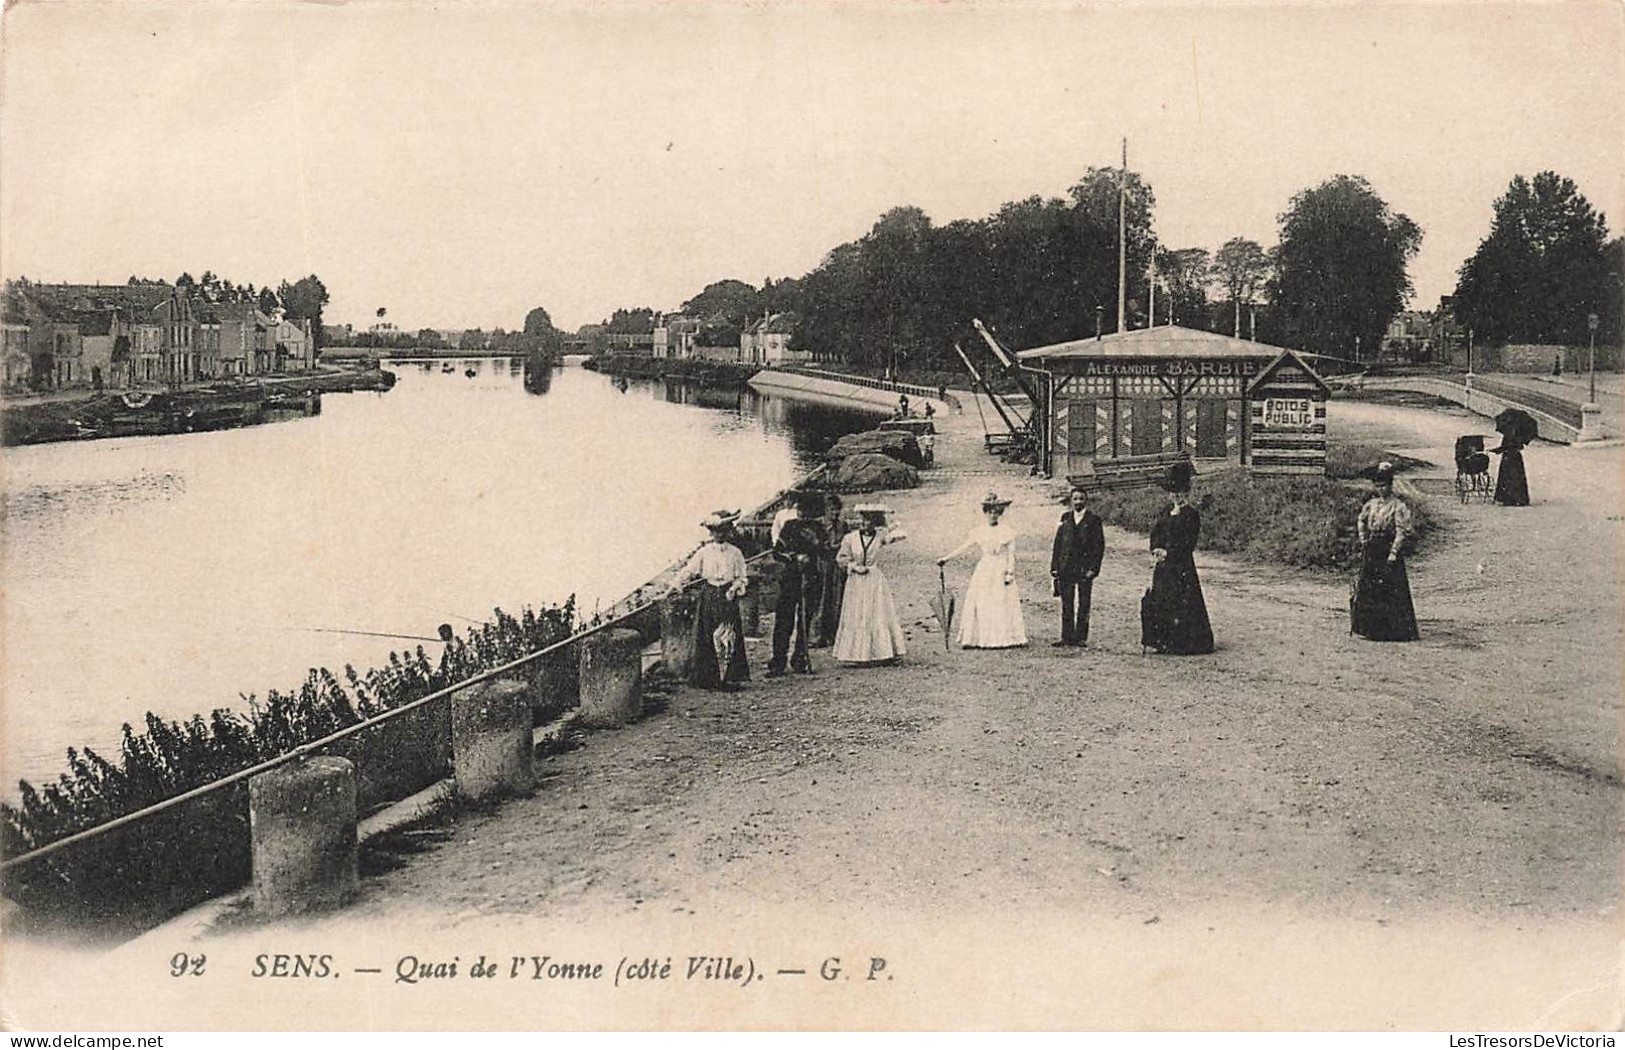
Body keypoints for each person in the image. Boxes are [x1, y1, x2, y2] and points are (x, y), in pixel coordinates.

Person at [670, 510, 751, 690]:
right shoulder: (704, 552)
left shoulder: (735, 553)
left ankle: (729, 677)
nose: (718, 535)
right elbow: (689, 570)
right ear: (710, 533)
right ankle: (708, 677)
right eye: (714, 531)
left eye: (722, 531)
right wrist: (673, 587)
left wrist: (733, 589)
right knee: (707, 634)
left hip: (727, 595)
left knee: (728, 634)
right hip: (709, 594)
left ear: (728, 531)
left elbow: (742, 577)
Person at [1140, 461, 1215, 655]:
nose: (1176, 496)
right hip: (1163, 567)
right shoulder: (1165, 512)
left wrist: (1170, 553)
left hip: (1181, 566)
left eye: (1180, 492)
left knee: (1182, 601)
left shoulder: (1191, 515)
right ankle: (1163, 641)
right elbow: (1155, 533)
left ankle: (1183, 642)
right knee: (1162, 599)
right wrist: (1155, 548)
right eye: (1173, 492)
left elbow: (1189, 542)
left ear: (1187, 493)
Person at [938, 491, 1028, 649]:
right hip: (985, 569)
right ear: (985, 513)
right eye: (989, 512)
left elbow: (1011, 555)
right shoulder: (979, 531)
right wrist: (946, 558)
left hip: (1000, 568)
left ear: (1000, 514)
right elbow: (964, 546)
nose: (993, 515)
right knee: (982, 600)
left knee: (1001, 600)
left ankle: (1005, 637)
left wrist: (1009, 573)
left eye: (996, 512)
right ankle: (978, 637)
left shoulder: (1007, 531)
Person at [1350, 462, 1419, 641]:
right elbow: (1361, 520)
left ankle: (1392, 630)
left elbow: (1401, 531)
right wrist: (1364, 539)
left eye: (1384, 486)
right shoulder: (1371, 504)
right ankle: (1369, 629)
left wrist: (1394, 552)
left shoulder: (1397, 506)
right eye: (1378, 486)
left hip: (1388, 549)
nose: (1381, 489)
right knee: (1371, 587)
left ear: (1390, 485)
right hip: (1373, 548)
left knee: (1390, 588)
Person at [833, 504, 908, 664]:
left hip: (874, 579)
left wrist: (889, 523)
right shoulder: (850, 538)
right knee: (858, 613)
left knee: (877, 613)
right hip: (856, 579)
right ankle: (857, 655)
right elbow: (841, 558)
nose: (863, 523)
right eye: (862, 519)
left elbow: (902, 534)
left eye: (868, 520)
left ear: (875, 523)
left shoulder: (879, 538)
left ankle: (881, 653)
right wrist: (854, 567)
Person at [766, 492, 825, 677]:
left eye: (802, 509)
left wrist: (815, 549)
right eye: (799, 508)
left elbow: (825, 553)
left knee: (805, 620)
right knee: (784, 620)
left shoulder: (818, 529)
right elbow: (777, 552)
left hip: (811, 579)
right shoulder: (789, 526)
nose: (799, 512)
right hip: (790, 578)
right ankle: (778, 661)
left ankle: (800, 658)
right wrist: (792, 557)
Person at [1050, 487, 1105, 647]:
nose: (1078, 502)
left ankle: (1080, 637)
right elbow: (1058, 543)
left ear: (1086, 500)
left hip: (1084, 568)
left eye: (1081, 499)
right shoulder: (1065, 518)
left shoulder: (1093, 520)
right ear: (1071, 500)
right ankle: (1066, 636)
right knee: (1067, 602)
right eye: (1075, 499)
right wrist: (1054, 566)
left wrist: (1093, 569)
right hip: (1066, 566)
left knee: (1084, 602)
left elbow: (1099, 546)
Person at [810, 494, 846, 648]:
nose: (835, 513)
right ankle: (817, 636)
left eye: (837, 510)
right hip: (821, 565)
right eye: (832, 510)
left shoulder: (843, 525)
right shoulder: (818, 524)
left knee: (836, 599)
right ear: (826, 510)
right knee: (821, 600)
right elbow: (814, 545)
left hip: (837, 566)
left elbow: (846, 543)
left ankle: (833, 635)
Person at [1490, 436, 1530, 506]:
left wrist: (1499, 450)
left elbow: (1507, 446)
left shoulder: (1510, 432)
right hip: (1516, 456)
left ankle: (1509, 498)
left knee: (1508, 476)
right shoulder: (1519, 432)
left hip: (1509, 456)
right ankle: (1519, 498)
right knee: (1517, 477)